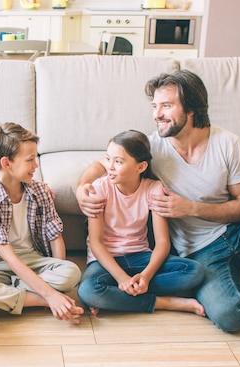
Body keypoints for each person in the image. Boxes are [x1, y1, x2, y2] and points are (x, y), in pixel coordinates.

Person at [76, 70, 240, 333]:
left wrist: (192, 208)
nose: (156, 114)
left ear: (192, 109)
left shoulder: (228, 143)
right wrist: (82, 188)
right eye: (155, 106)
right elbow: (101, 165)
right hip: (202, 252)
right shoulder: (154, 147)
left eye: (166, 106)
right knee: (230, 316)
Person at [0, 123, 84, 324]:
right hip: (0, 265)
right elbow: (9, 258)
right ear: (7, 163)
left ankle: (15, 292)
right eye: (30, 160)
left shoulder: (40, 191)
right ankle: (38, 299)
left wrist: (57, 270)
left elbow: (55, 236)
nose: (36, 165)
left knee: (71, 272)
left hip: (33, 259)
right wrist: (51, 295)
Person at [77, 130, 205, 317]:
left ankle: (119, 297)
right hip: (104, 261)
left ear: (141, 166)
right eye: (108, 159)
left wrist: (145, 277)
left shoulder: (153, 189)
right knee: (88, 290)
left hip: (140, 257)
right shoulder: (99, 188)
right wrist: (121, 278)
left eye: (118, 161)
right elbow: (96, 243)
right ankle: (164, 302)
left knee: (195, 271)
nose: (110, 167)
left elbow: (162, 242)